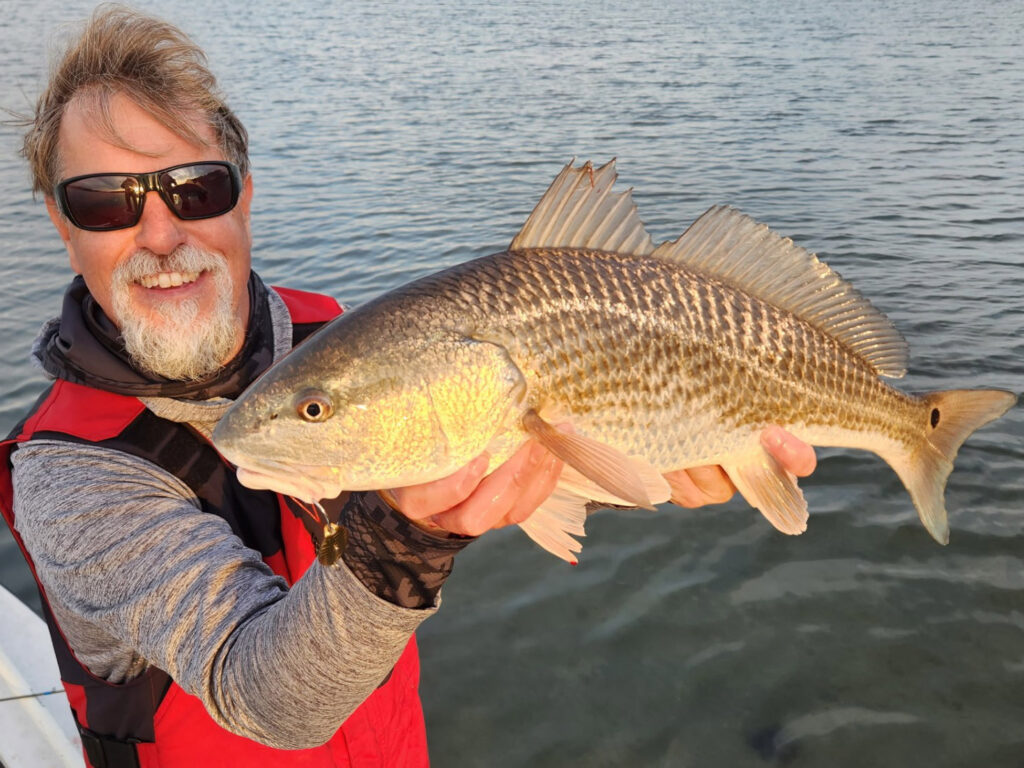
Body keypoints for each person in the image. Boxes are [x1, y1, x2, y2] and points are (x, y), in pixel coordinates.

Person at [0, 7, 816, 768]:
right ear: (59, 224)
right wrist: (406, 536)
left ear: (246, 195)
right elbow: (269, 697)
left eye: (197, 188)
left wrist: (646, 454)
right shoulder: (69, 473)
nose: (161, 233)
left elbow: (500, 445)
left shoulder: (334, 337)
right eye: (104, 201)